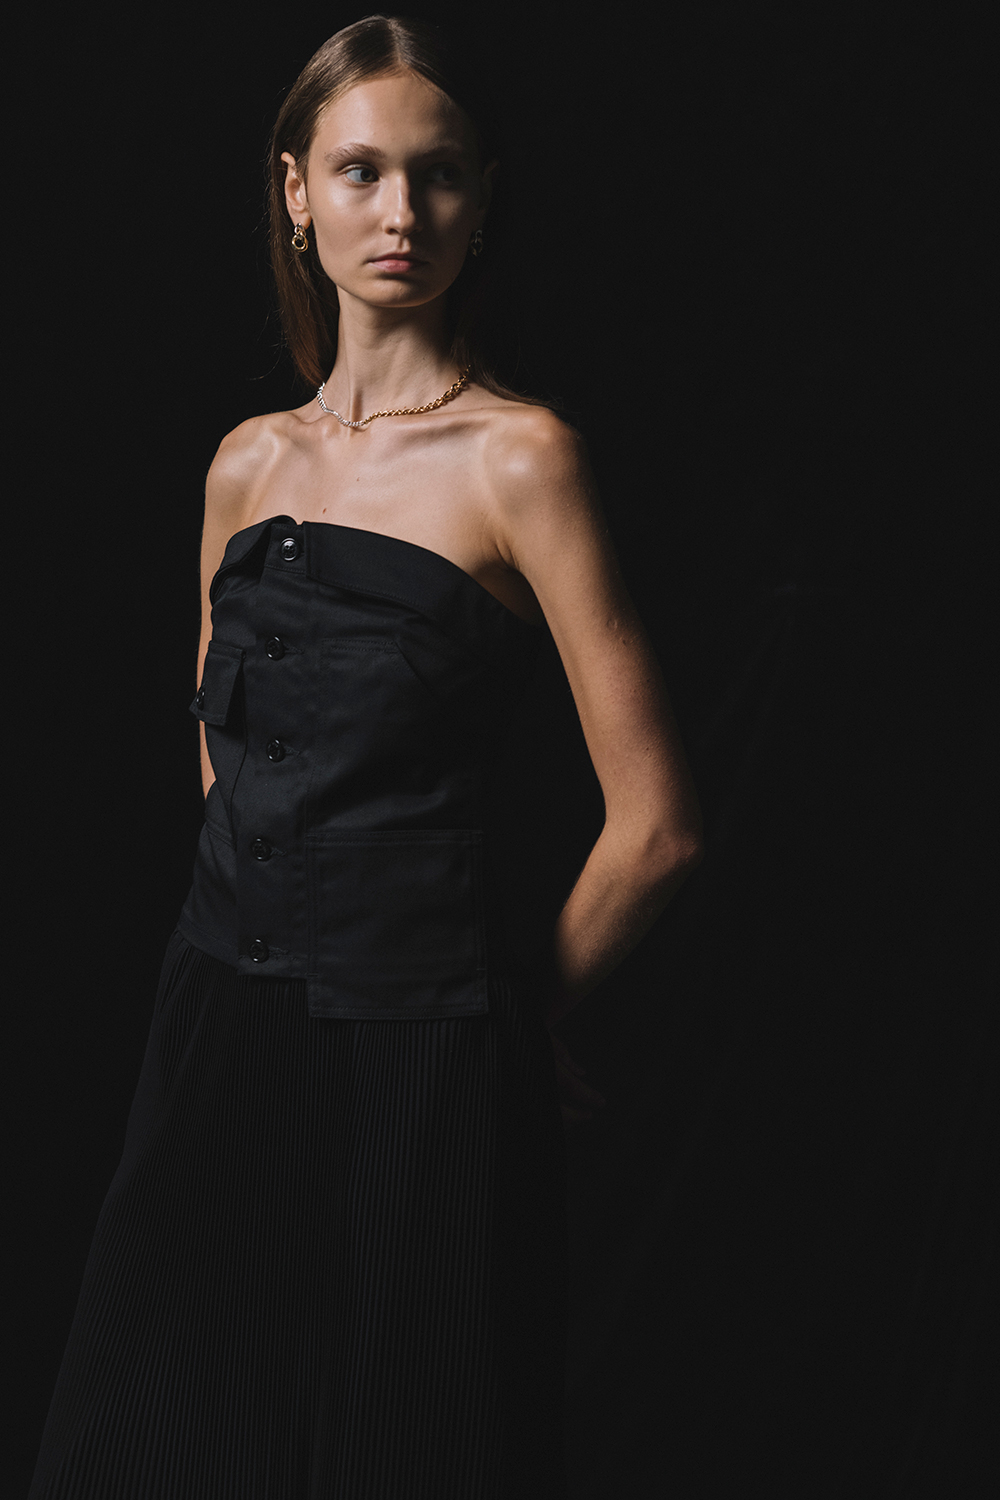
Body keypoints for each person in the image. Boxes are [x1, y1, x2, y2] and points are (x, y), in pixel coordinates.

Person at [30, 15, 702, 1499]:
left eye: (439, 175)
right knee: (143, 1447)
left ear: (482, 197)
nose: (402, 212)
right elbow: (226, 752)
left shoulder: (522, 458)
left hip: (424, 1056)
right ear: (296, 191)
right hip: (215, 1033)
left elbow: (657, 825)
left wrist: (512, 1021)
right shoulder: (246, 461)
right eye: (361, 171)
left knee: (399, 1453)